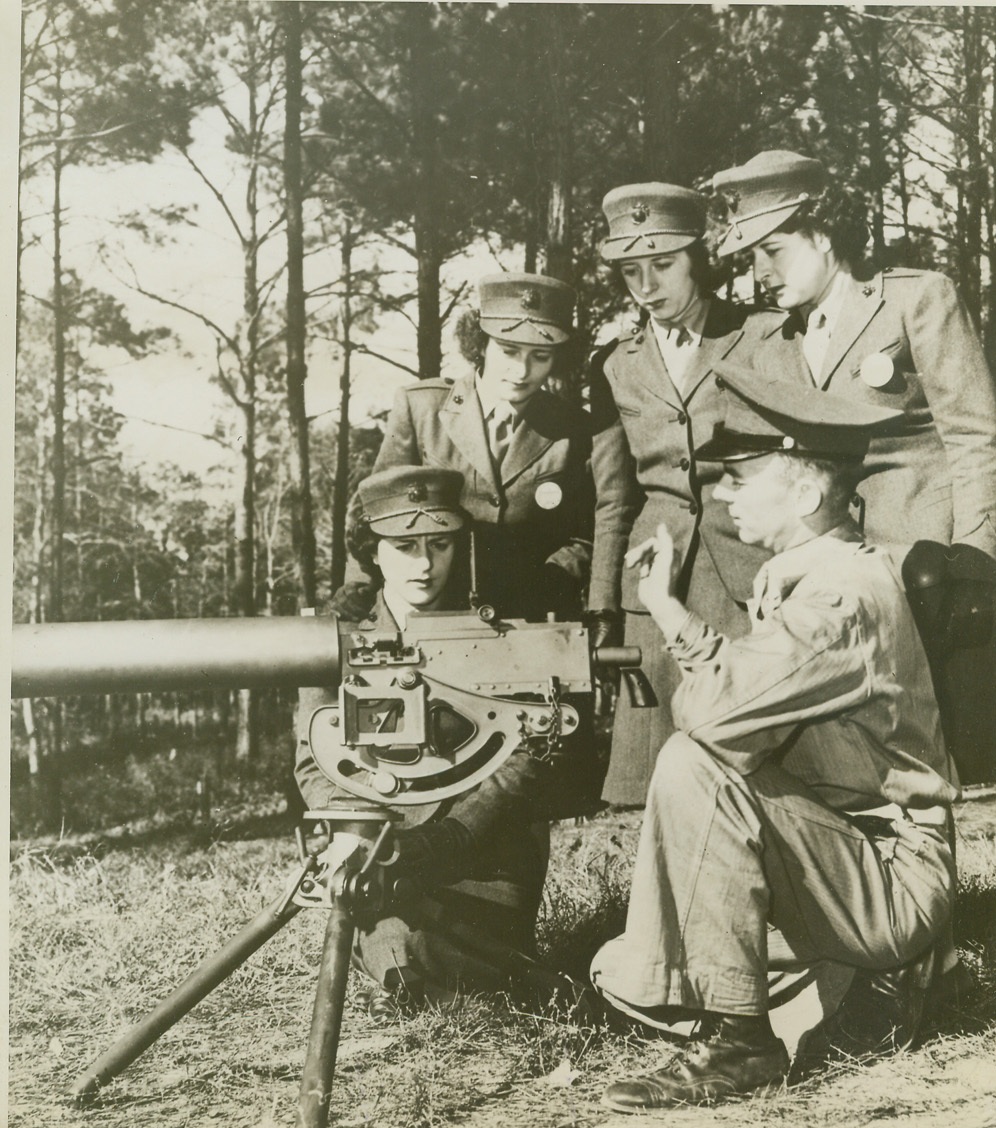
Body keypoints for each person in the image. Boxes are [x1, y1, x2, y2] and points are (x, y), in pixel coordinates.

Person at [591, 362, 958, 1111]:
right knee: (618, 967)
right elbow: (747, 707)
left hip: (887, 877)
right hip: (836, 857)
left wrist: (677, 630)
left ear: (805, 492)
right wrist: (667, 609)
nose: (721, 494)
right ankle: (862, 987)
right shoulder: (811, 574)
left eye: (740, 478)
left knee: (692, 764)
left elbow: (717, 721)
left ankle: (743, 1040)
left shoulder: (839, 596)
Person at [296, 466, 571, 1019]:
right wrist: (355, 832)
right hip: (382, 852)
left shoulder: (500, 632)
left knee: (430, 957)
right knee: (405, 954)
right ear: (373, 552)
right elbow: (313, 758)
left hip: (483, 857)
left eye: (440, 544)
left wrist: (447, 838)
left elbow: (529, 759)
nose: (424, 564)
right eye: (404, 546)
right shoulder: (334, 635)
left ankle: (514, 984)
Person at [587, 183, 773, 807]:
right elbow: (615, 498)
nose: (646, 284)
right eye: (631, 270)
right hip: (658, 585)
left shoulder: (762, 335)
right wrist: (602, 607)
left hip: (746, 575)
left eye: (662, 264)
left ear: (699, 258)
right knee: (663, 780)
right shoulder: (613, 364)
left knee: (756, 759)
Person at [712, 149, 996, 558]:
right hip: (831, 572)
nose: (760, 274)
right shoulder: (774, 345)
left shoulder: (916, 299)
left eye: (773, 251)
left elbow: (975, 438)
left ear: (822, 234)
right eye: (751, 258)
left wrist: (976, 556)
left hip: (928, 565)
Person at [367, 273, 593, 622]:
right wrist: (359, 605)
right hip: (436, 614)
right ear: (481, 345)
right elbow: (376, 515)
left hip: (533, 619)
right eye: (509, 351)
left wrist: (545, 585)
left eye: (540, 356)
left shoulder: (574, 429)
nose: (521, 370)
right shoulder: (422, 409)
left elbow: (586, 534)